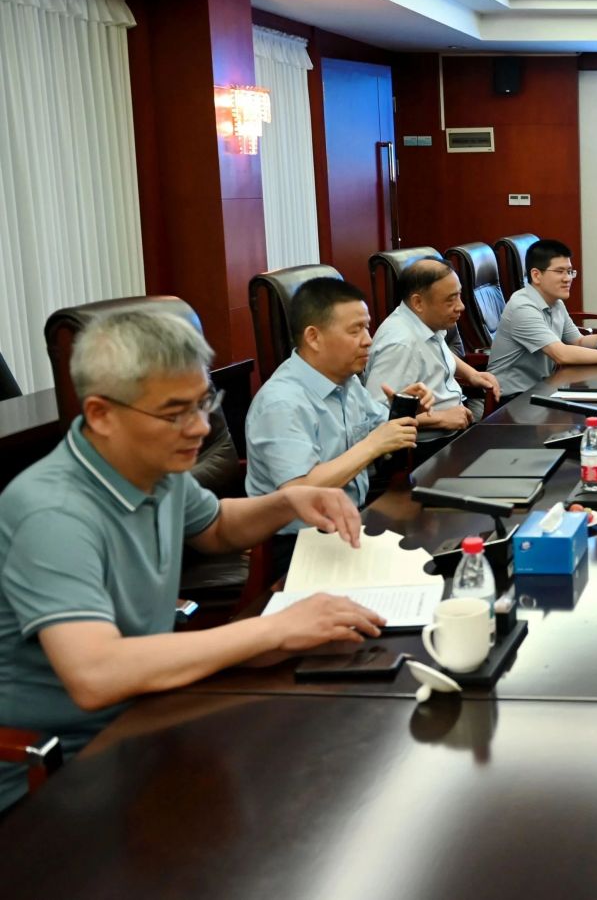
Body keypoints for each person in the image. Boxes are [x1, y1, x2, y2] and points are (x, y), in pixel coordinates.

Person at [0, 311, 384, 811]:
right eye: (175, 413)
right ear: (101, 414)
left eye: (204, 403)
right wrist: (273, 630)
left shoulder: (151, 466)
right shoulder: (52, 513)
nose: (201, 428)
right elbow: (95, 674)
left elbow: (217, 526)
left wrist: (288, 501)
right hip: (59, 769)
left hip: (150, 711)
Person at [246, 277, 433, 529]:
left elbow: (382, 430)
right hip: (302, 538)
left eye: (367, 328)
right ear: (313, 337)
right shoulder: (281, 403)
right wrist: (372, 445)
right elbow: (300, 490)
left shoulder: (347, 381)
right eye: (355, 331)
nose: (368, 340)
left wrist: (404, 408)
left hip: (354, 517)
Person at [364, 258, 500, 439]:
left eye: (459, 295)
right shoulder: (400, 345)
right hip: (428, 446)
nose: (461, 306)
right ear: (418, 302)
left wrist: (471, 374)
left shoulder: (424, 320)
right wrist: (440, 418)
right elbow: (376, 419)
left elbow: (435, 350)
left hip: (457, 425)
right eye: (451, 300)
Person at [487, 239, 597, 396]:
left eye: (570, 271)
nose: (568, 278)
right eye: (560, 271)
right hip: (510, 398)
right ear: (536, 275)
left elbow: (578, 342)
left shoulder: (556, 302)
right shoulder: (522, 307)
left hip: (543, 389)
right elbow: (561, 354)